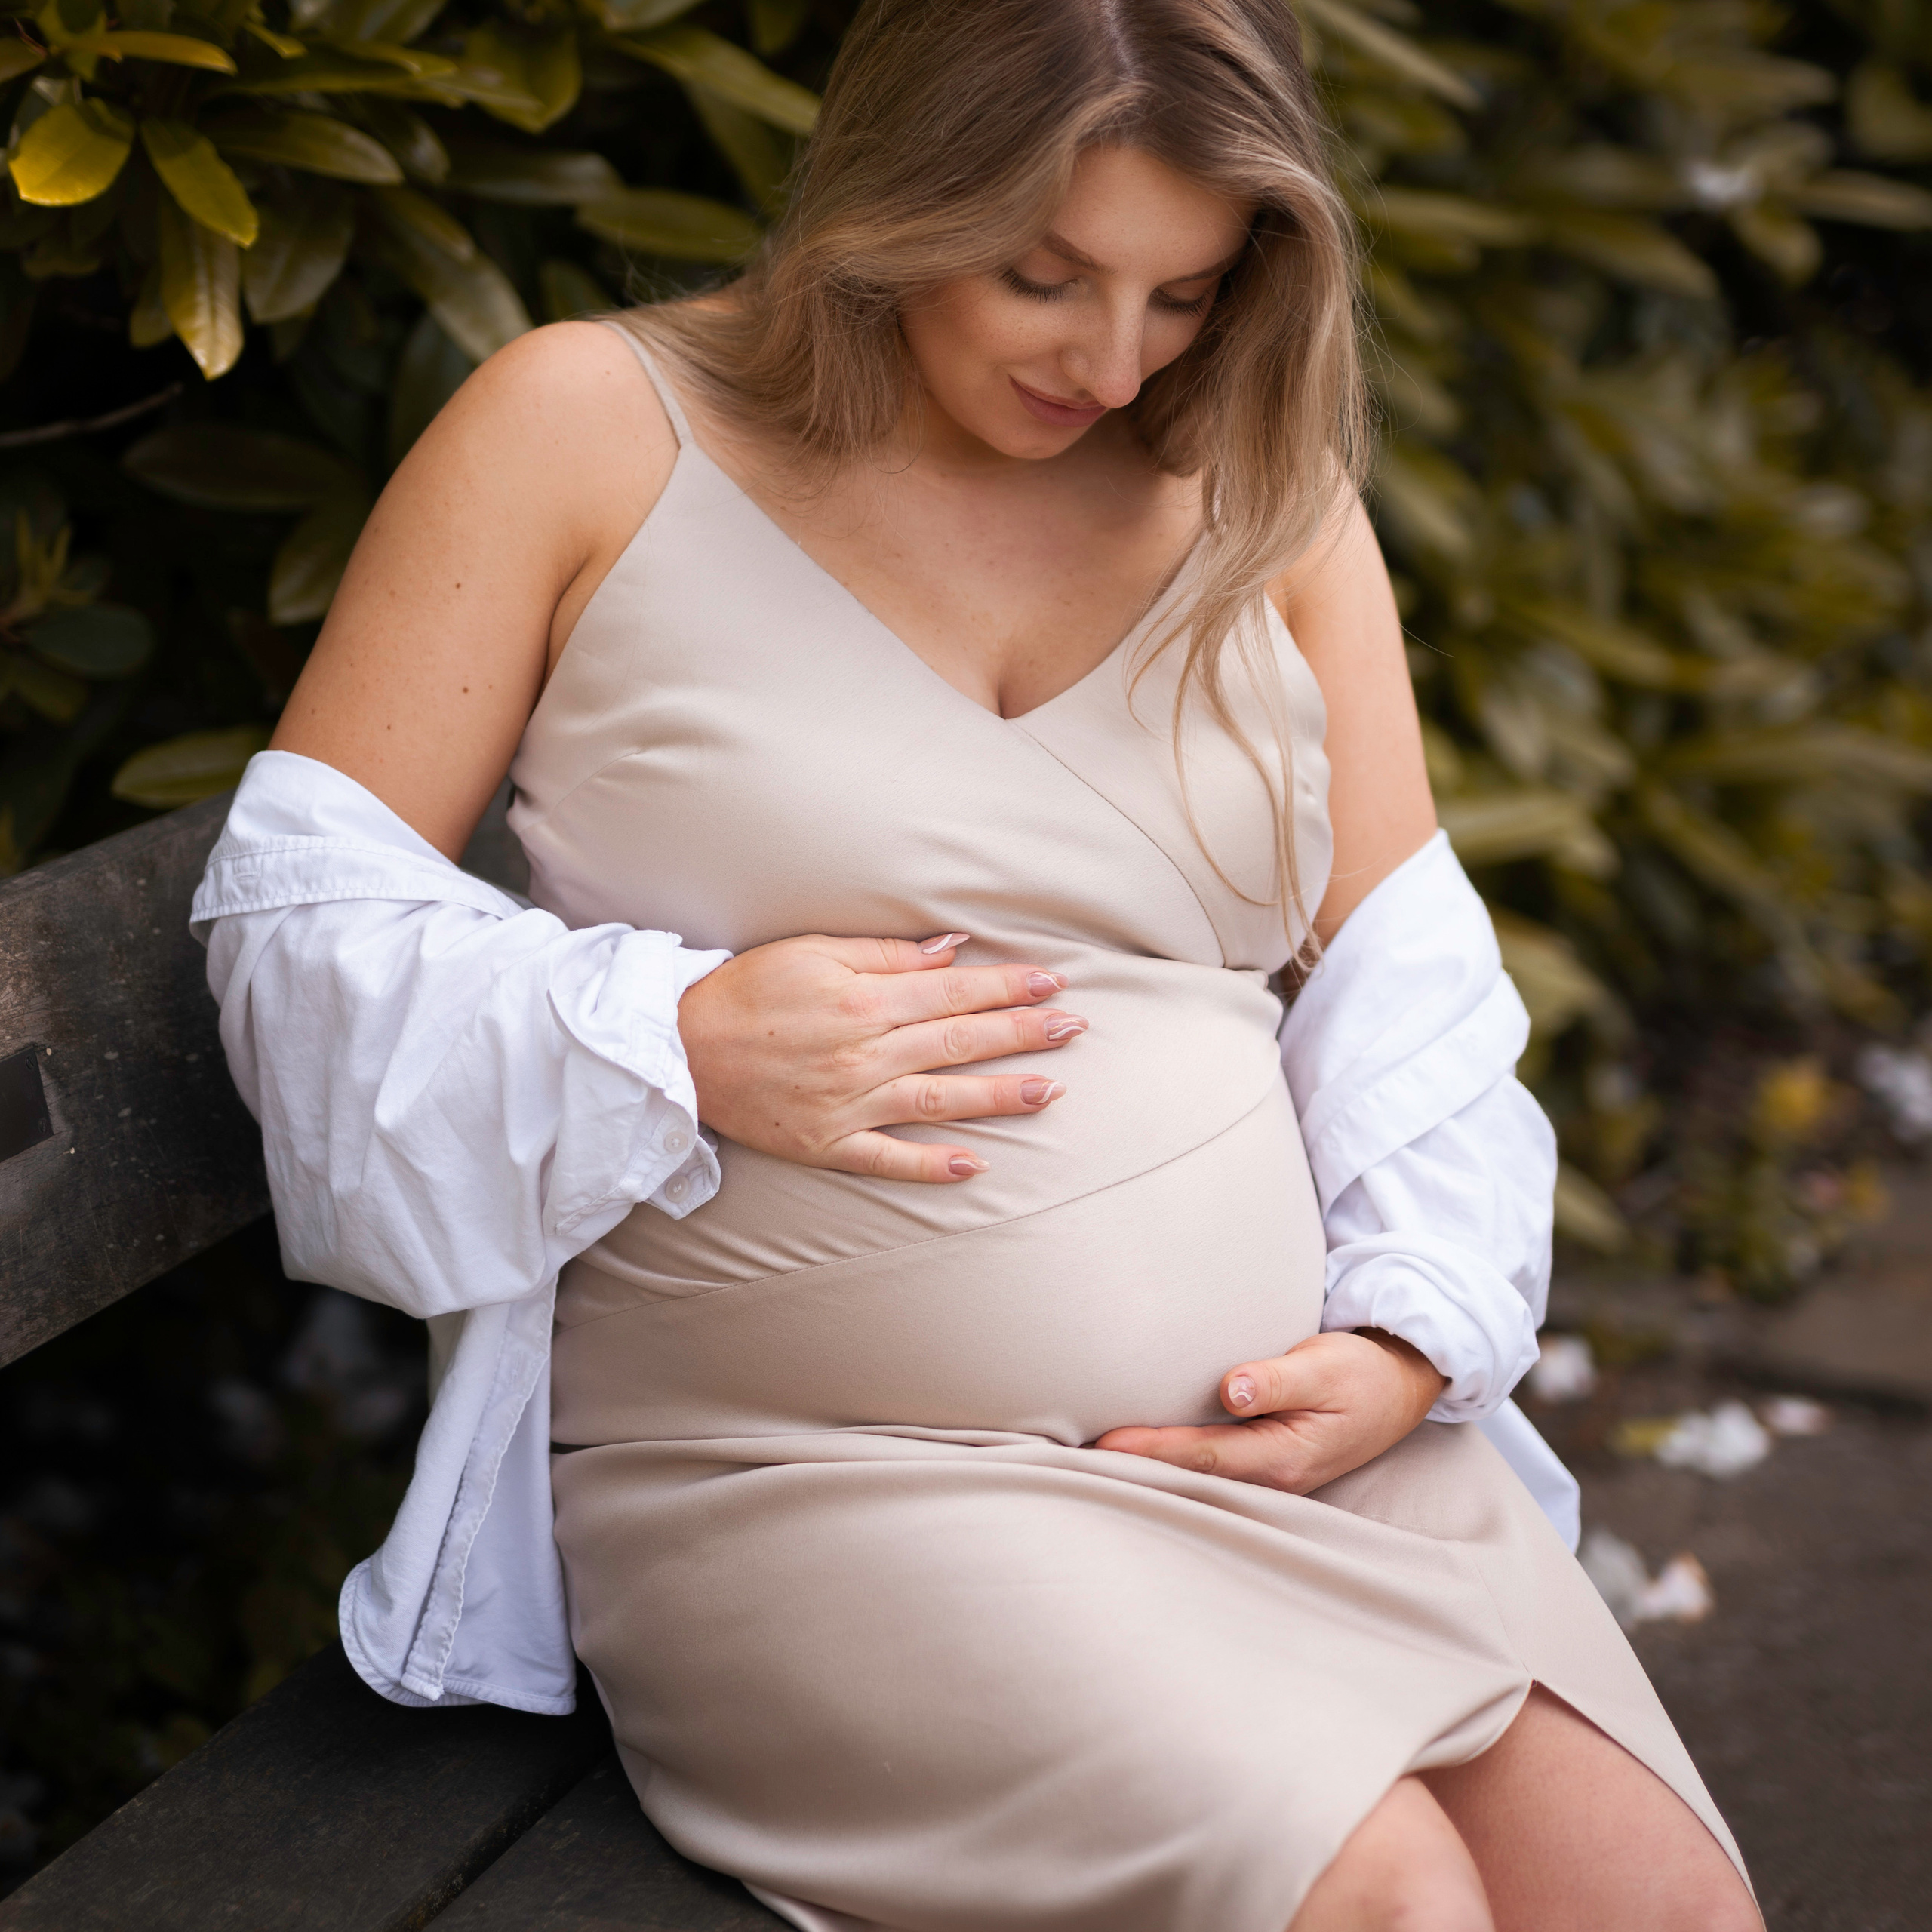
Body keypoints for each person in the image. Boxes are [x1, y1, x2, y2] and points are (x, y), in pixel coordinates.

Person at [191, 0, 1763, 1925]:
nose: (1111, 360)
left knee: (1660, 1903)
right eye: (1042, 275)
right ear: (892, 197)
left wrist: (1405, 1334)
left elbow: (1406, 986)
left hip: (1290, 1462)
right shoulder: (585, 428)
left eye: (1182, 293)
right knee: (1382, 1900)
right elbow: (298, 936)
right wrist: (665, 1032)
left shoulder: (1261, 495)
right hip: (818, 1472)